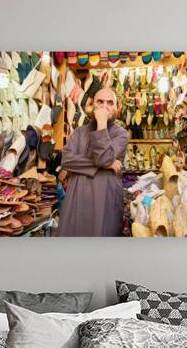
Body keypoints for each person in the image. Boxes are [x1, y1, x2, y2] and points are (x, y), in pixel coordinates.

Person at [57, 87, 128, 236]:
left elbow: (104, 158)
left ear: (117, 108)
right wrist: (106, 165)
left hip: (105, 199)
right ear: (93, 105)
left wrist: (102, 124)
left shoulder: (121, 134)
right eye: (100, 102)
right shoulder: (79, 132)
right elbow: (67, 160)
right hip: (77, 198)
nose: (104, 107)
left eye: (110, 103)